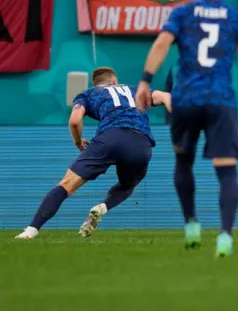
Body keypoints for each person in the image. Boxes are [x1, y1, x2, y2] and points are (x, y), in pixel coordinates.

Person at [135, 0, 238, 256]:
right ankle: (225, 236)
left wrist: (144, 81)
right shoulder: (236, 17)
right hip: (220, 102)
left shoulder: (182, 13)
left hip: (185, 100)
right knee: (226, 171)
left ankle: (191, 224)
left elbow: (162, 43)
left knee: (183, 162)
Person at [15, 67, 171, 239]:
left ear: (96, 83)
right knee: (127, 186)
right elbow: (165, 96)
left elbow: (75, 120)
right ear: (114, 81)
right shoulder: (134, 90)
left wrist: (78, 141)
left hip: (108, 139)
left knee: (67, 185)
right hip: (140, 142)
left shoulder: (88, 94)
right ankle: (103, 207)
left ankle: (31, 230)